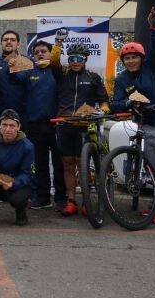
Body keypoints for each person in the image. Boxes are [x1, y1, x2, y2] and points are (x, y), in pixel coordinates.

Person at [109, 8, 155, 224]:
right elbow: (115, 104)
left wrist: (154, 27)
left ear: (141, 58)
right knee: (154, 169)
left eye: (134, 57)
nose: (131, 61)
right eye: (127, 58)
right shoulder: (122, 79)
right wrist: (127, 103)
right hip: (145, 126)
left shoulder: (151, 68)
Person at [52, 38, 110, 217]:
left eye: (79, 59)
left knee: (83, 165)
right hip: (65, 124)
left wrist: (104, 110)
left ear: (85, 60)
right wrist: (58, 43)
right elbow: (54, 61)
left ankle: (86, 201)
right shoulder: (62, 75)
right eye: (72, 59)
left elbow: (104, 100)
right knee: (68, 164)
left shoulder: (93, 77)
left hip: (86, 126)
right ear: (68, 61)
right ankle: (71, 201)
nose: (75, 62)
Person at [9, 38, 64, 210]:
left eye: (43, 51)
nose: (40, 54)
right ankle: (43, 197)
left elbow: (56, 58)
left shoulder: (57, 71)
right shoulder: (29, 71)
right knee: (39, 164)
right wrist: (12, 63)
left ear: (50, 53)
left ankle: (61, 199)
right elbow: (15, 77)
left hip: (56, 124)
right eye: (37, 52)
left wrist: (57, 45)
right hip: (35, 124)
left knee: (58, 163)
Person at [0, 30, 27, 117]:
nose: (9, 42)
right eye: (6, 40)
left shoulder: (27, 62)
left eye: (12, 40)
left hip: (22, 114)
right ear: (1, 43)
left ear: (18, 44)